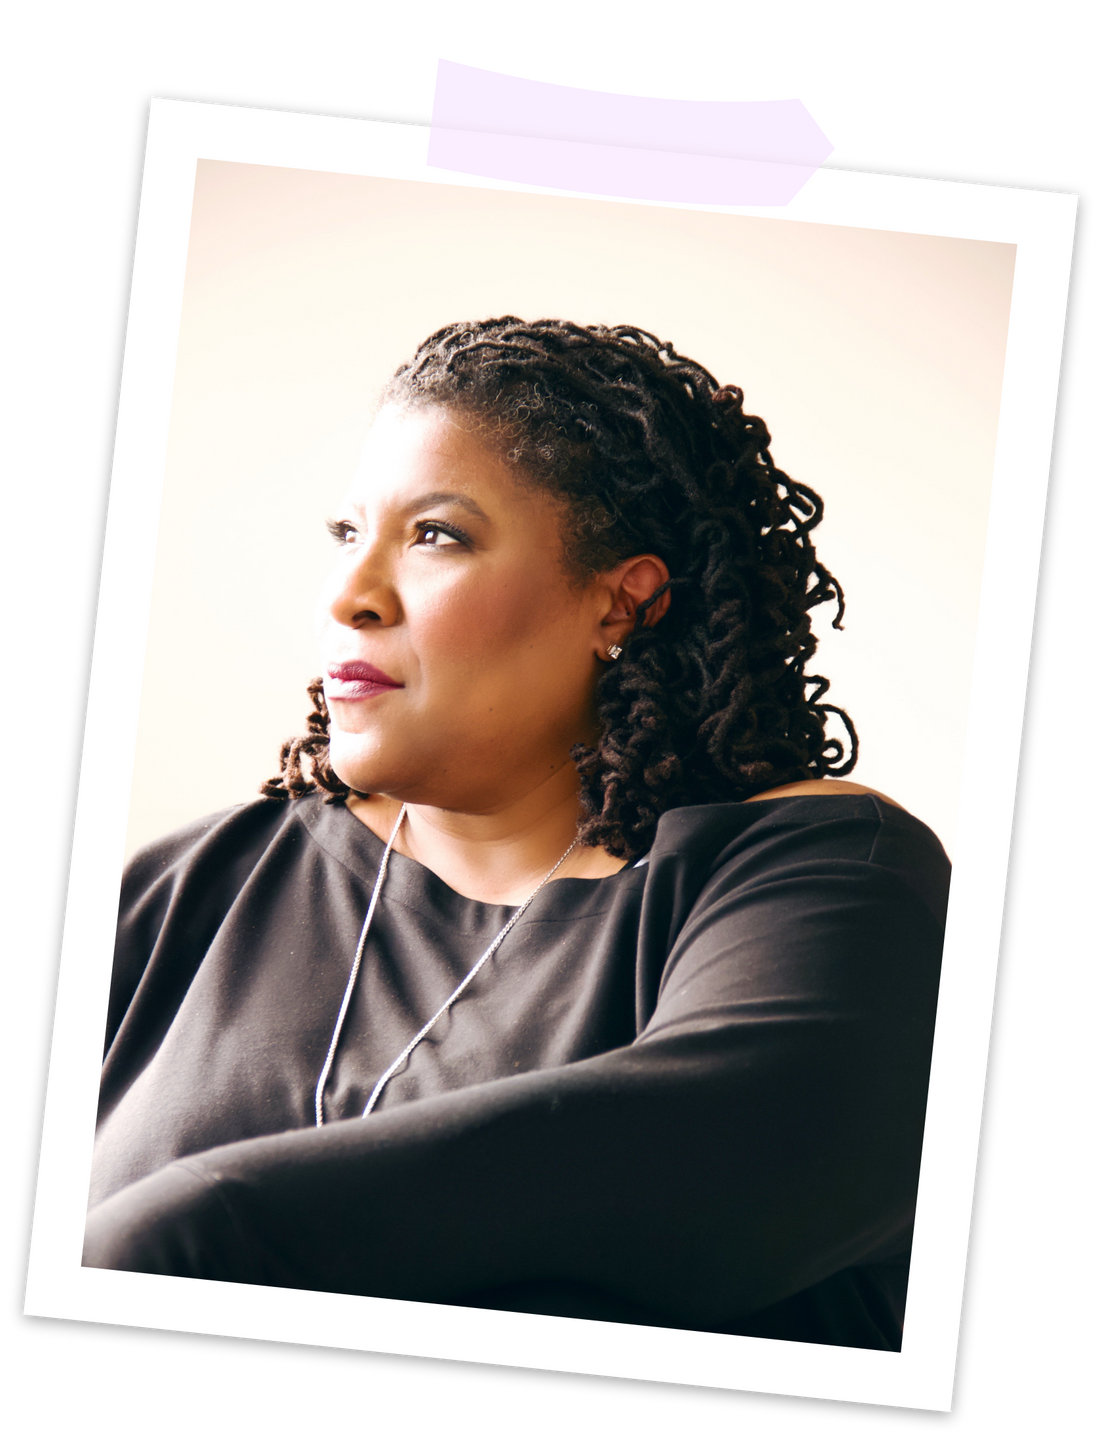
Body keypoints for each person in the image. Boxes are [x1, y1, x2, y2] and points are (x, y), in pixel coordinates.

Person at [84, 318, 948, 1349]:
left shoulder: (828, 880)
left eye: (435, 536)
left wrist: (180, 1235)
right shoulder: (182, 891)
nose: (350, 596)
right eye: (347, 533)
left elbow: (723, 1183)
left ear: (622, 604)